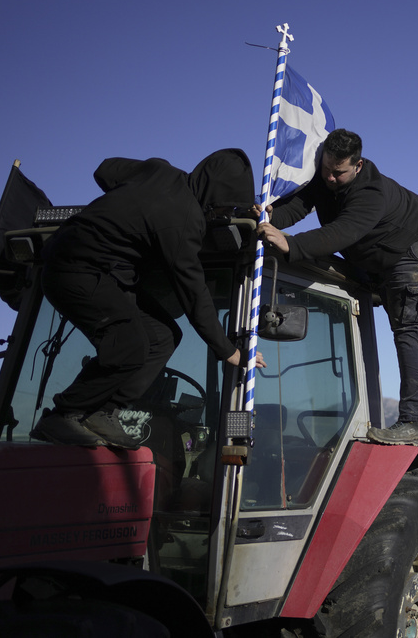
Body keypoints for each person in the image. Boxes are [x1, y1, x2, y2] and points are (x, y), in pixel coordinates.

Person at [31, 149, 266, 449]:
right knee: (127, 345)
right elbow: (194, 295)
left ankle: (104, 411)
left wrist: (129, 203)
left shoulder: (160, 171)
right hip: (75, 269)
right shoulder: (184, 221)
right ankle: (64, 415)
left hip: (101, 272)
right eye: (226, 209)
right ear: (214, 197)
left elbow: (105, 170)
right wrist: (230, 351)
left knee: (162, 336)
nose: (225, 216)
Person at [257, 129, 418, 446]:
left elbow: (342, 232)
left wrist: (292, 245)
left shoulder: (371, 193)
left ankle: (415, 421)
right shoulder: (325, 178)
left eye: (339, 172)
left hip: (416, 247)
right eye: (326, 169)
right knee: (411, 328)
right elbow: (300, 204)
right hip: (381, 257)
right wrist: (269, 216)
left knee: (409, 327)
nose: (330, 178)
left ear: (357, 166)